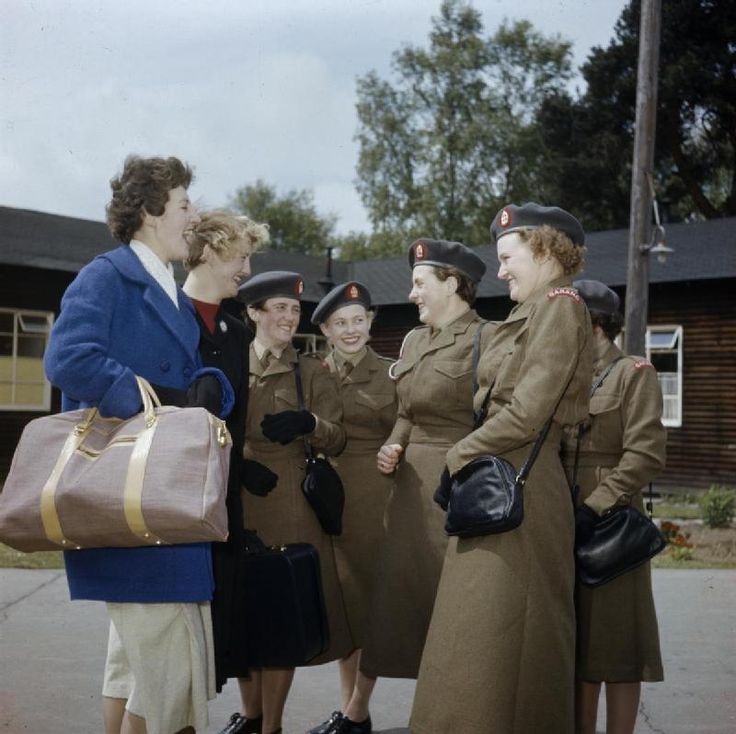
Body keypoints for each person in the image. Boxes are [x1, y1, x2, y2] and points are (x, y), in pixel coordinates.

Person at [43, 155, 234, 734]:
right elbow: (66, 358)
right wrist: (156, 392)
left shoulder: (166, 287)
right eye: (182, 205)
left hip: (158, 508)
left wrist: (206, 389)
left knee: (136, 682)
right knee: (173, 685)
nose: (192, 216)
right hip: (136, 510)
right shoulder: (108, 274)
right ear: (151, 212)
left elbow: (186, 380)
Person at [411, 203, 593, 734]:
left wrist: (458, 454)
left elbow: (529, 412)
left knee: (506, 644)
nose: (503, 270)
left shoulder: (559, 307)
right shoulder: (533, 310)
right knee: (479, 641)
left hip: (521, 490)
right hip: (502, 481)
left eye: (508, 257)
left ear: (542, 248)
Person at [346, 240, 489, 733]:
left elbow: (495, 417)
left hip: (457, 489)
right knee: (392, 601)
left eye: (420, 284)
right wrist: (394, 445)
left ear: (452, 283)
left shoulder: (485, 340)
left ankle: (444, 717)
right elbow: (406, 412)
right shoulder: (413, 341)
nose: (411, 294)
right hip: (407, 491)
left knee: (451, 611)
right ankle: (356, 712)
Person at [234, 271, 352, 734]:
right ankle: (250, 716)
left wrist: (310, 423)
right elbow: (207, 424)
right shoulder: (230, 364)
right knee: (243, 615)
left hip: (289, 505)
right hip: (238, 497)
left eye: (294, 309)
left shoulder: (310, 371)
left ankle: (272, 726)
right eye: (279, 307)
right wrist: (238, 463)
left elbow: (339, 438)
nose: (288, 316)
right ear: (255, 312)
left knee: (280, 619)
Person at [563, 279, 665, 734]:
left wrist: (596, 506)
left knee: (618, 646)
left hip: (613, 525)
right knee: (580, 646)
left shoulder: (634, 373)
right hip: (562, 521)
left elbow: (645, 454)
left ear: (596, 325)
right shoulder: (562, 376)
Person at [181, 210, 270, 708]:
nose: (247, 268)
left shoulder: (237, 332)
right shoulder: (168, 315)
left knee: (212, 641)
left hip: (221, 501)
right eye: (240, 256)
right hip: (173, 500)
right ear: (211, 251)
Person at [305, 282, 397, 734]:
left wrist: (396, 448)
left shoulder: (392, 375)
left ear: (371, 323)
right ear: (325, 328)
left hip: (369, 497)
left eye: (358, 320)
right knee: (341, 611)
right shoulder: (312, 373)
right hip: (321, 497)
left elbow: (407, 427)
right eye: (340, 323)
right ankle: (350, 714)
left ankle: (356, 710)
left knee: (366, 610)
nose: (350, 330)